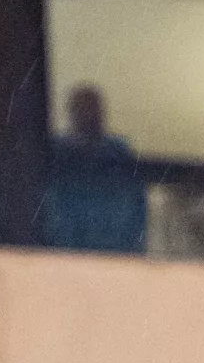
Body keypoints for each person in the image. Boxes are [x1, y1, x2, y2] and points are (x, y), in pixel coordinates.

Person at [41, 85, 149, 253]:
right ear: (71, 114)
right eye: (81, 110)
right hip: (62, 255)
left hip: (115, 254)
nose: (88, 116)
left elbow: (137, 212)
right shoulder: (55, 154)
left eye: (93, 111)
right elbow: (46, 209)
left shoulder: (119, 154)